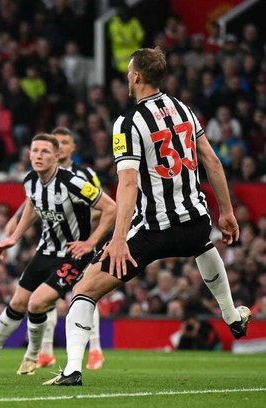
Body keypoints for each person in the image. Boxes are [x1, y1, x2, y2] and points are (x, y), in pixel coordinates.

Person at [45, 47, 252, 387]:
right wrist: (226, 213)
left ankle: (72, 370)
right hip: (197, 221)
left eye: (129, 72)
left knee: (83, 290)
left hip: (152, 229)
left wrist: (117, 240)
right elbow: (212, 162)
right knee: (202, 245)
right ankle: (231, 316)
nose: (127, 77)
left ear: (137, 76)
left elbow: (127, 183)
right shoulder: (184, 109)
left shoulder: (127, 122)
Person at [0, 133, 116, 376]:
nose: (38, 156)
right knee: (18, 303)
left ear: (57, 156)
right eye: (34, 151)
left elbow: (111, 208)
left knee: (37, 302)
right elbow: (32, 205)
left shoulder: (73, 182)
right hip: (45, 252)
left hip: (73, 255)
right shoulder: (30, 180)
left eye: (44, 151)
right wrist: (13, 238)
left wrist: (90, 242)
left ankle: (32, 357)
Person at [4, 127, 108, 370]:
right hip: (50, 247)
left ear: (70, 148)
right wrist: (16, 219)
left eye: (63, 143)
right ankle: (46, 352)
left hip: (78, 245)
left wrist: (77, 220)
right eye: (56, 142)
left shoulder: (83, 174)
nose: (58, 147)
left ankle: (95, 350)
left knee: (84, 294)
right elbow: (35, 198)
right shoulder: (43, 175)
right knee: (43, 299)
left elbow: (103, 205)